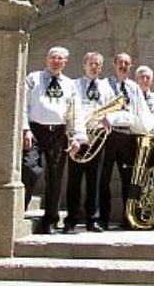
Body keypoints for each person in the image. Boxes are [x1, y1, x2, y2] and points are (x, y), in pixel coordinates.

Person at [22, 46, 81, 234]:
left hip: (59, 132)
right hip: (36, 130)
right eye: (53, 57)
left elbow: (76, 112)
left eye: (60, 59)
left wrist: (76, 138)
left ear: (65, 62)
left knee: (56, 176)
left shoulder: (70, 84)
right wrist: (25, 129)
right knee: (30, 168)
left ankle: (51, 220)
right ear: (47, 59)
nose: (56, 61)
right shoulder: (33, 78)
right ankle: (19, 209)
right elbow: (23, 104)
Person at [98, 52, 154, 230]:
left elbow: (143, 113)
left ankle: (128, 218)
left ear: (130, 66)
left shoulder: (133, 87)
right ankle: (102, 219)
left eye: (127, 63)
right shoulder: (103, 85)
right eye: (120, 62)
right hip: (108, 135)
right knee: (104, 179)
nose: (123, 65)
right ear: (114, 64)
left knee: (129, 179)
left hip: (127, 137)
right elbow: (99, 107)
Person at [63, 51, 115, 233]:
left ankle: (93, 219)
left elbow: (111, 107)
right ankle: (71, 219)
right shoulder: (73, 85)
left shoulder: (106, 87)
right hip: (78, 136)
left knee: (96, 180)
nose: (94, 67)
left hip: (98, 137)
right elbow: (69, 108)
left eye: (97, 64)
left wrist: (108, 118)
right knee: (74, 180)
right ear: (84, 65)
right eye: (91, 63)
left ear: (101, 67)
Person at [135, 65, 154, 169]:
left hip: (153, 141)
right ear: (136, 80)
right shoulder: (131, 97)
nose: (145, 80)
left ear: (151, 81)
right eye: (142, 77)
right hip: (135, 141)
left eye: (148, 78)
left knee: (152, 174)